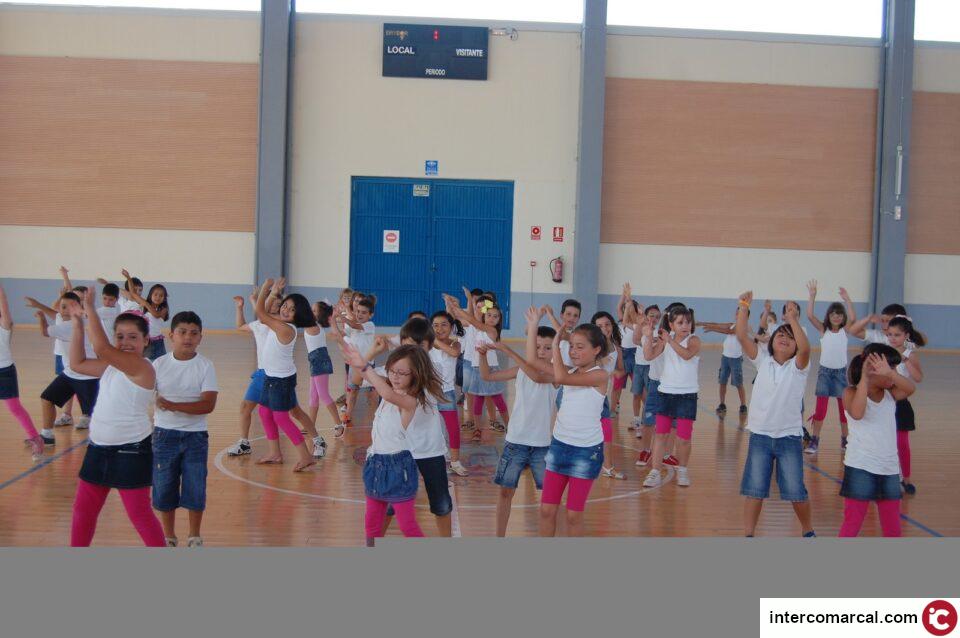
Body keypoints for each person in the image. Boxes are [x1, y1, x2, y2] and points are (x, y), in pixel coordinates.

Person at [68, 287, 165, 547]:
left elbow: (100, 347)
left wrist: (89, 308)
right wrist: (78, 324)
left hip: (130, 451)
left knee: (139, 515)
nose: (125, 342)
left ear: (146, 341)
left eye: (133, 337)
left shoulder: (142, 367)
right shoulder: (113, 367)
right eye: (120, 336)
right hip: (98, 448)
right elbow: (77, 364)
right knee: (83, 511)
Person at [734, 291, 816, 538]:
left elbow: (805, 348)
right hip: (760, 436)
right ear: (771, 341)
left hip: (789, 439)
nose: (784, 338)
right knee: (755, 490)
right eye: (780, 334)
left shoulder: (799, 367)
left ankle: (808, 530)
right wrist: (744, 306)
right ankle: (748, 533)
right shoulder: (763, 360)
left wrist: (791, 320)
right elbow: (740, 334)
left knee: (795, 491)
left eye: (790, 338)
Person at [151, 311, 218, 548]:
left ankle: (194, 535)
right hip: (163, 435)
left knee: (195, 487)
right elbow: (145, 395)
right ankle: (169, 536)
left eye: (193, 333)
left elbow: (207, 405)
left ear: (200, 337)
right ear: (171, 335)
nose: (187, 337)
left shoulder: (205, 366)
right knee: (164, 486)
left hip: (195, 437)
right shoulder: (158, 365)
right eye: (182, 332)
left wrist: (172, 405)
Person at [538, 323, 609, 537]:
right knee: (546, 510)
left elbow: (560, 378)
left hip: (586, 451)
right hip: (560, 445)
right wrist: (533, 327)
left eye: (580, 347)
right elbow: (534, 362)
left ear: (596, 349)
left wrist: (558, 343)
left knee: (573, 515)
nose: (573, 351)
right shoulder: (570, 370)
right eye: (571, 346)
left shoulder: (600, 375)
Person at [838, 345, 915, 537]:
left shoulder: (891, 393)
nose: (893, 374)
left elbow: (910, 388)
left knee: (892, 527)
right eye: (890, 369)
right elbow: (857, 413)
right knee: (852, 523)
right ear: (872, 369)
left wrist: (890, 373)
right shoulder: (850, 392)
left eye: (894, 370)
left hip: (889, 470)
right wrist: (865, 378)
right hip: (860, 467)